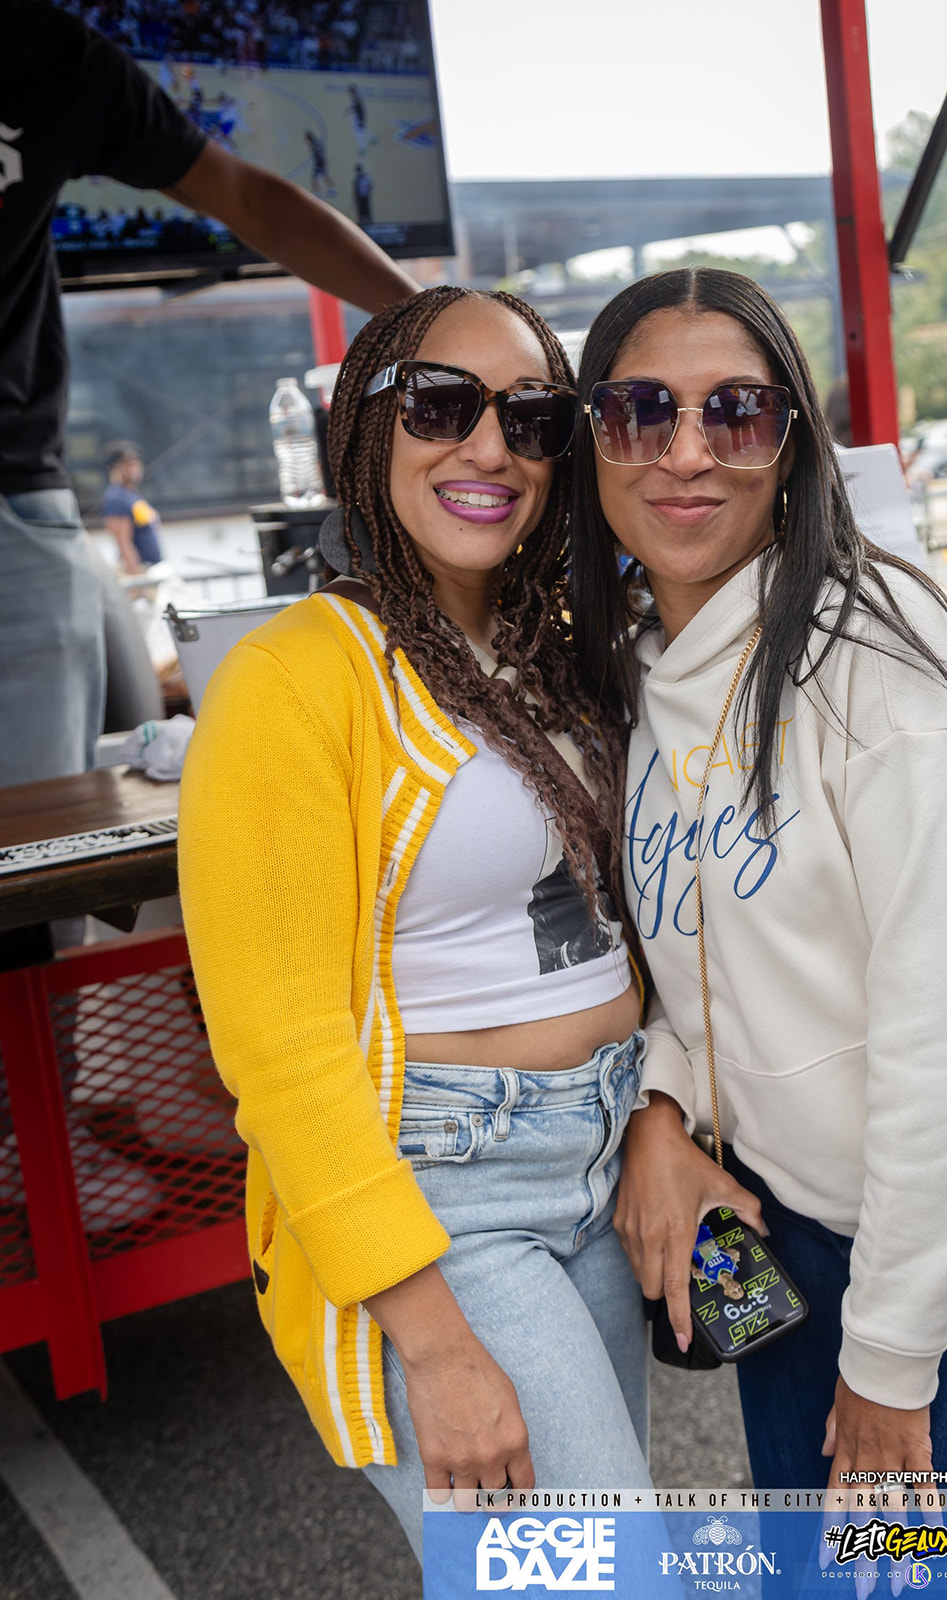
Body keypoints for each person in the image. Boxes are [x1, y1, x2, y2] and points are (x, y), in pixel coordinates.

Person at [568, 267, 947, 1490]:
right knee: (808, 1564)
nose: (687, 451)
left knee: (895, 1568)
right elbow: (698, 952)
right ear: (589, 442)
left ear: (791, 443)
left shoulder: (897, 673)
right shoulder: (646, 667)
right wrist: (661, 1105)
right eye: (639, 410)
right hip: (792, 1223)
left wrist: (888, 1358)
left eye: (735, 411)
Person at [178, 286, 653, 1558]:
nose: (489, 446)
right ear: (364, 428)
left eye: (532, 417)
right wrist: (433, 1342)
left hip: (600, 1162)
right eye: (440, 405)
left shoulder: (550, 649)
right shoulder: (293, 679)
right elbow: (278, 1046)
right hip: (446, 1198)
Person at [0, 0, 420, 793]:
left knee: (40, 828)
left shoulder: (41, 50)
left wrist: (436, 321)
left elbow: (249, 198)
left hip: (12, 505)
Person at [102, 440, 164, 574]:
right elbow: (124, 543)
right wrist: (137, 577)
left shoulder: (132, 494)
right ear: (115, 468)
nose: (134, 468)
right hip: (143, 571)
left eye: (136, 463)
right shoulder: (116, 498)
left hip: (154, 568)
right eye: (128, 464)